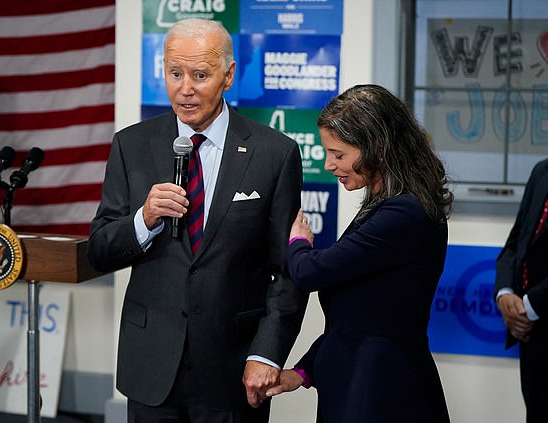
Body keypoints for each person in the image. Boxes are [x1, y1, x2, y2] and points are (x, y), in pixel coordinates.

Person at [87, 18, 307, 422]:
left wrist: (267, 352)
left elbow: (289, 270)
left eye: (200, 75)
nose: (185, 88)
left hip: (234, 370)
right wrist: (144, 218)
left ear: (228, 75)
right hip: (151, 367)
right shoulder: (131, 145)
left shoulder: (274, 153)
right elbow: (100, 248)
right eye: (175, 73)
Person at [265, 84, 453, 423]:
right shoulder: (387, 206)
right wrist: (306, 371)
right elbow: (360, 313)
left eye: (339, 154)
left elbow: (311, 272)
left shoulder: (405, 214)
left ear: (377, 148)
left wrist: (297, 242)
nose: (329, 165)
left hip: (381, 392)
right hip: (359, 383)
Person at [495, 158, 548, 423]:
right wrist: (505, 294)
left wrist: (528, 307)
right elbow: (516, 242)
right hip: (532, 340)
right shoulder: (542, 171)